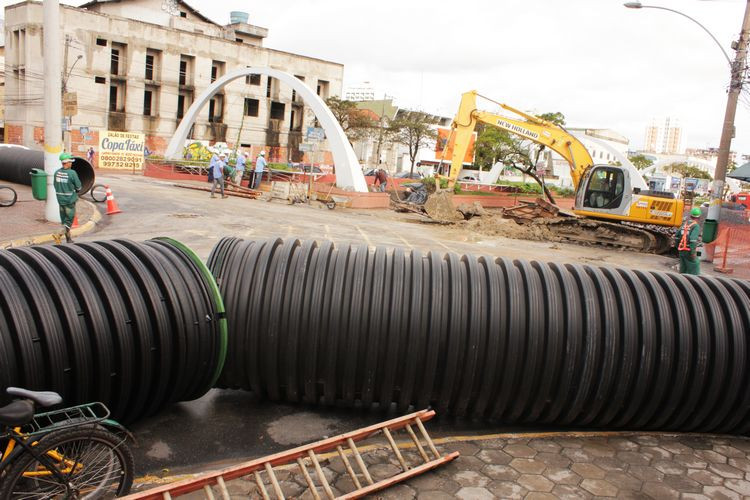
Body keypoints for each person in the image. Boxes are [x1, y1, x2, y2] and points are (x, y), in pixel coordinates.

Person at [53, 153, 82, 243]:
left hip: (60, 200)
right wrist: (75, 190)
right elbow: (79, 187)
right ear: (66, 163)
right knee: (69, 220)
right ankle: (58, 233)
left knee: (64, 220)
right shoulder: (72, 173)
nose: (71, 163)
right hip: (69, 201)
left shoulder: (57, 172)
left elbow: (55, 185)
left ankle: (68, 239)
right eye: (70, 162)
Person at [675, 207, 702, 275]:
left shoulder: (685, 224)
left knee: (683, 268)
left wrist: (677, 247)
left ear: (690, 216)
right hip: (688, 250)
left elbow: (677, 236)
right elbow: (693, 240)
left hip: (681, 249)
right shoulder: (695, 226)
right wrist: (693, 252)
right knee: (694, 267)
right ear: (699, 217)